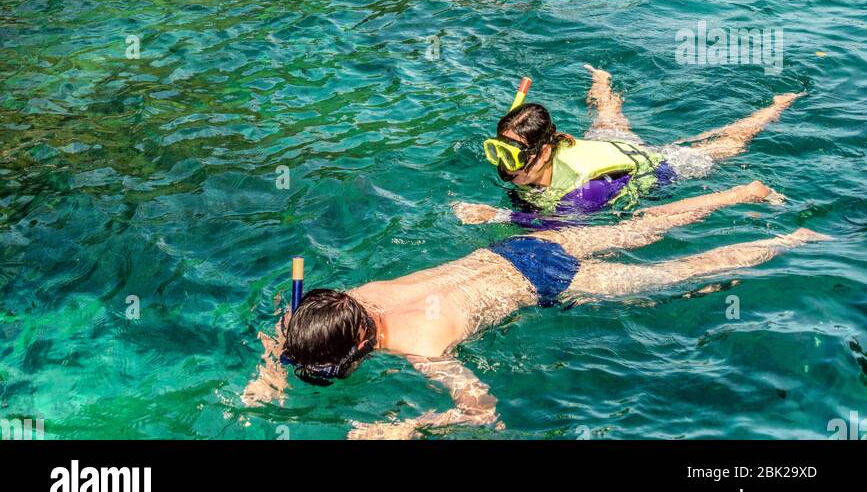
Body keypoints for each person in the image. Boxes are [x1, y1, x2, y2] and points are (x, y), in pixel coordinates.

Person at [242, 184, 821, 438]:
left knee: (677, 273)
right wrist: (272, 367)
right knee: (643, 228)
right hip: (512, 249)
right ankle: (743, 194)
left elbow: (483, 412)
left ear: (358, 350)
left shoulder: (423, 351)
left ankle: (794, 238)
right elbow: (287, 319)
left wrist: (408, 427)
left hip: (549, 282)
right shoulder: (358, 295)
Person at [453, 67, 803, 227]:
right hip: (610, 147)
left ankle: (776, 106)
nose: (503, 165)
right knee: (607, 117)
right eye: (496, 151)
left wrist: (496, 215)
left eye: (512, 155)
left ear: (544, 152)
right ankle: (602, 81)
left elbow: (555, 225)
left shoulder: (585, 190)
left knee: (729, 145)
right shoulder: (544, 154)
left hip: (655, 164)